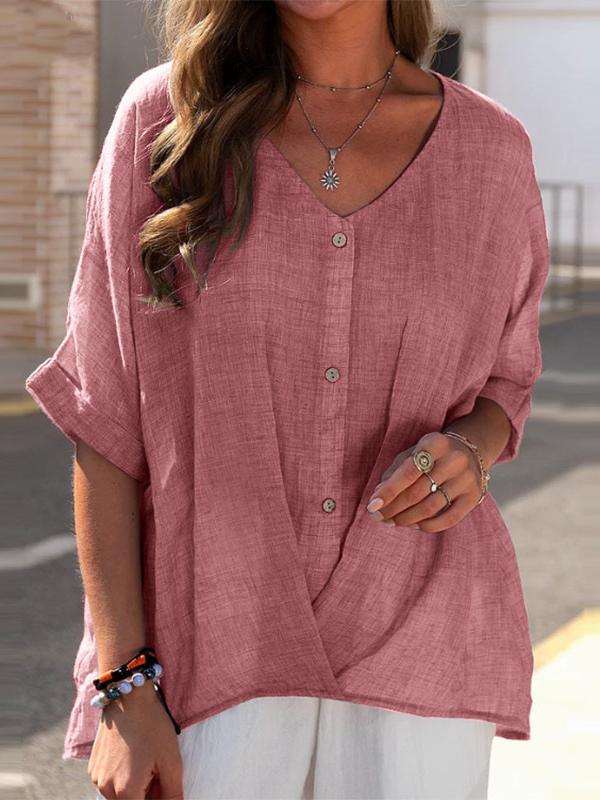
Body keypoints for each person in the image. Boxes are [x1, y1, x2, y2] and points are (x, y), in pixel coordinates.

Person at [24, 0, 550, 798]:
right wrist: (123, 685)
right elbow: (105, 416)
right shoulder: (165, 121)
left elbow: (506, 380)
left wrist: (471, 451)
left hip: (421, 639)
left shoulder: (491, 150)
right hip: (209, 651)